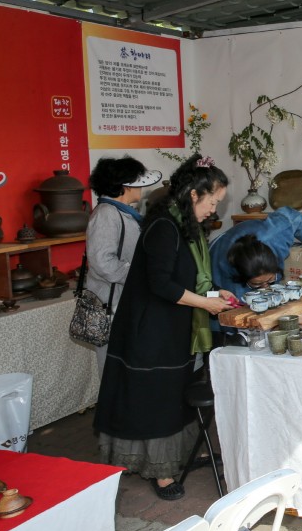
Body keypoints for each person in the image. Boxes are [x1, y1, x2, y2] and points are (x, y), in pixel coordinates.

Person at [94, 155, 233, 502]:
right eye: (212, 202)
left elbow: (186, 278)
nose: (213, 210)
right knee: (154, 398)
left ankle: (179, 454)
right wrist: (205, 304)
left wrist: (215, 294)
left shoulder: (186, 227)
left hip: (172, 325)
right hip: (149, 330)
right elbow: (161, 284)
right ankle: (161, 471)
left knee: (176, 391)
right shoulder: (163, 228)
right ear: (193, 195)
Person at [85, 157, 161, 377]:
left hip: (124, 297)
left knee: (126, 360)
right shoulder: (107, 214)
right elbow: (102, 261)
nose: (143, 188)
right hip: (112, 300)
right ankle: (114, 410)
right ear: (126, 186)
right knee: (114, 363)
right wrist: (138, 274)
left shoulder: (122, 211)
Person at [210, 206, 302, 300]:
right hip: (221, 254)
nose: (265, 287)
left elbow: (291, 216)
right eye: (256, 284)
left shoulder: (275, 236)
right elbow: (204, 293)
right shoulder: (222, 264)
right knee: (233, 306)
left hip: (261, 238)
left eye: (270, 280)